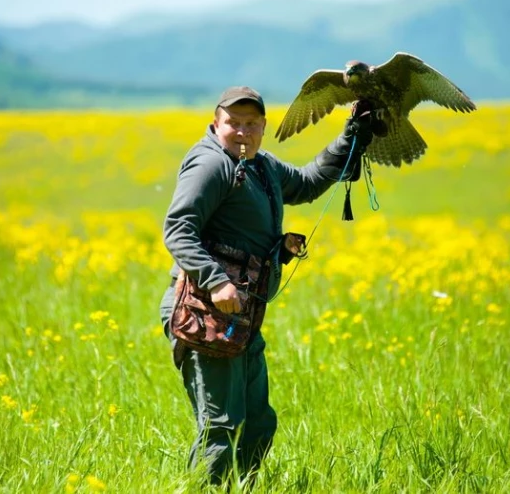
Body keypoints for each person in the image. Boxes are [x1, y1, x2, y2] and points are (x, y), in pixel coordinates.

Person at [159, 86, 376, 486]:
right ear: (215, 123)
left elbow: (308, 183)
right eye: (233, 124)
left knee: (257, 424)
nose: (242, 132)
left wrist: (350, 136)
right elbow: (178, 229)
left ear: (263, 127)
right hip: (205, 312)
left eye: (250, 124)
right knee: (222, 429)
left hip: (242, 313)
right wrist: (216, 281)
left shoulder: (261, 165)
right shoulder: (211, 165)